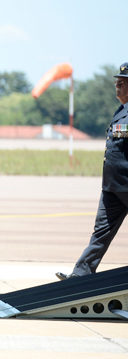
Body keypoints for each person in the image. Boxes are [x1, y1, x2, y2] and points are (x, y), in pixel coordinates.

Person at [56, 63, 128, 280]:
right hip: (113, 186)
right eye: (117, 82)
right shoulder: (122, 111)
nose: (117, 86)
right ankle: (80, 275)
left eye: (122, 82)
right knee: (101, 231)